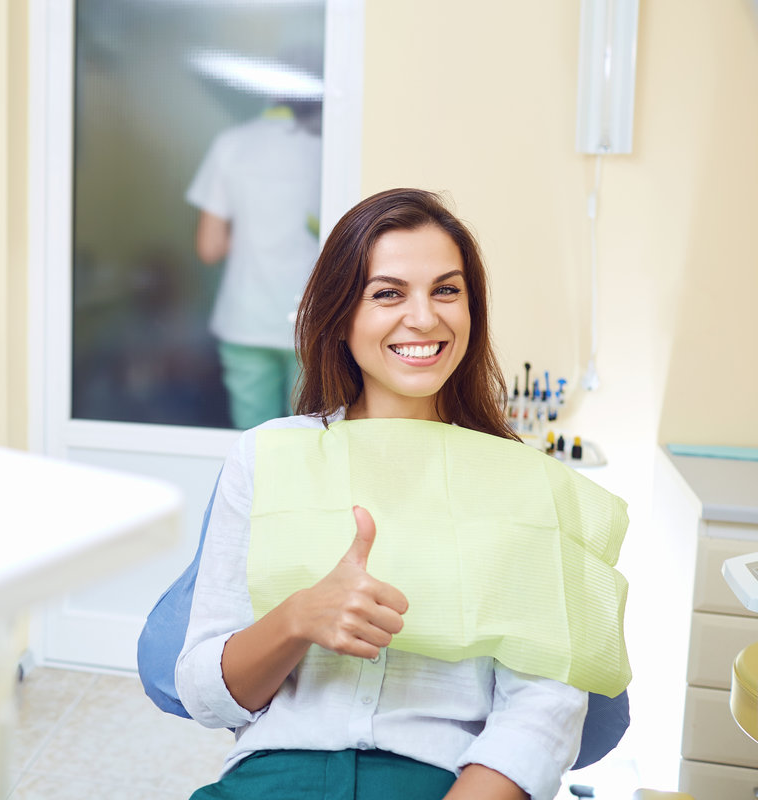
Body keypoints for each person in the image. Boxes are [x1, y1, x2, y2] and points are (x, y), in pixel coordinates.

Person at [174, 189, 590, 800]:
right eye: (388, 293)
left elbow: (544, 707)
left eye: (446, 290)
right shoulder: (266, 457)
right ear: (342, 317)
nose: (423, 318)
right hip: (273, 776)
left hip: (441, 781)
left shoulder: (525, 481)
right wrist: (298, 618)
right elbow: (204, 694)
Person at [186, 97, 322, 430]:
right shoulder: (326, 148)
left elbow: (209, 247)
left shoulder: (232, 144)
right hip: (312, 316)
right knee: (305, 439)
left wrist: (248, 239)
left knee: (251, 444)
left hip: (245, 317)